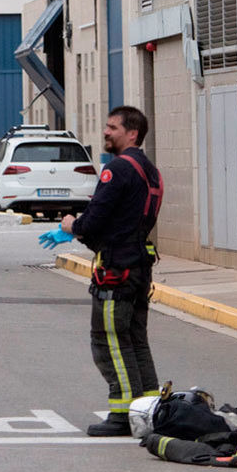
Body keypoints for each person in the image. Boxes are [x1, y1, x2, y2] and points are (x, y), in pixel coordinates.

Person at [58, 106, 163, 437]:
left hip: (116, 270)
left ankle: (123, 414)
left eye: (112, 127)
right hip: (138, 267)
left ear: (132, 134)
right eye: (106, 126)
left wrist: (71, 225)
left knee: (109, 341)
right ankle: (149, 410)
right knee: (135, 340)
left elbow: (94, 221)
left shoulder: (117, 170)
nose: (106, 132)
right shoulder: (151, 171)